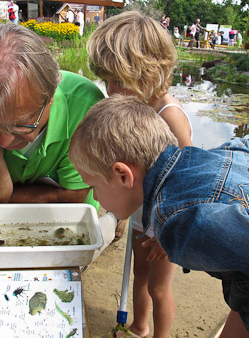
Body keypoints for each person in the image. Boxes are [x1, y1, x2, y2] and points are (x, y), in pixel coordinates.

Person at [69, 94, 249, 338]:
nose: (97, 199)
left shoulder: (177, 222)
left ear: (122, 175)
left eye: (93, 186)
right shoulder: (210, 157)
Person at [0, 24, 117, 250]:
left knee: (78, 244)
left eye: (22, 125)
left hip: (64, 195)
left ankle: (112, 220)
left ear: (51, 98)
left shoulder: (85, 105)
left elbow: (73, 195)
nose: (4, 142)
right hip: (23, 185)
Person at [87, 11, 193, 338]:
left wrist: (167, 232)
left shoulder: (169, 115)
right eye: (107, 81)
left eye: (118, 81)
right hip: (141, 213)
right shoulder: (135, 109)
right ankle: (139, 327)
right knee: (139, 273)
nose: (110, 90)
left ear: (148, 71)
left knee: (159, 287)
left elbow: (188, 180)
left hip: (168, 219)